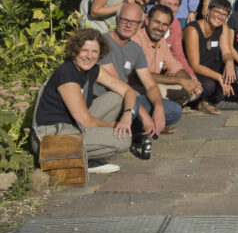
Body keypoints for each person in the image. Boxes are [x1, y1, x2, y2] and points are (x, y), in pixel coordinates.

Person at [32, 28, 152, 174]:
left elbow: (128, 91)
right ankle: (76, 161)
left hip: (72, 126)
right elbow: (86, 122)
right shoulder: (67, 74)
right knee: (123, 140)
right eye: (84, 50)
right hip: (50, 138)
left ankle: (83, 157)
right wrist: (114, 126)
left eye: (94, 51)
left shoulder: (92, 70)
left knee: (116, 98)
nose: (89, 56)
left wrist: (127, 115)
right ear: (75, 50)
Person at [96, 3, 182, 133]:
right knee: (134, 110)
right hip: (108, 99)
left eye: (134, 22)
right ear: (117, 20)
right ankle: (132, 128)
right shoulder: (103, 43)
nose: (129, 25)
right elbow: (118, 86)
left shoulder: (135, 48)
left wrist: (158, 107)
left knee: (173, 110)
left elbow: (150, 85)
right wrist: (144, 114)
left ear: (140, 24)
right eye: (125, 20)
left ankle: (135, 128)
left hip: (127, 96)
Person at [132, 4, 202, 107]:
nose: (160, 28)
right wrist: (180, 81)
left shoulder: (161, 42)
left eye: (165, 24)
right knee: (171, 92)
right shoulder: (136, 39)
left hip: (153, 85)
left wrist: (189, 82)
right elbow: (142, 75)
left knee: (195, 91)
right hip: (136, 87)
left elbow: (176, 68)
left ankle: (163, 108)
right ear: (147, 20)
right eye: (157, 22)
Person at [184, 0, 234, 114]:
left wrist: (230, 62)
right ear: (207, 11)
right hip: (191, 71)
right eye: (216, 12)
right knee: (210, 85)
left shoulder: (223, 27)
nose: (219, 17)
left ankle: (203, 101)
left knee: (231, 77)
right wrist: (219, 77)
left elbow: (227, 52)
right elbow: (194, 65)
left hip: (209, 67)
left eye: (223, 15)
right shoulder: (193, 30)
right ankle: (199, 102)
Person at [152, 0, 195, 77]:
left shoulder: (175, 24)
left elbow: (178, 55)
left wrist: (192, 77)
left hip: (167, 70)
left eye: (175, 5)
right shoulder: (145, 22)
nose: (172, 8)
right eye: (168, 4)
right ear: (156, 3)